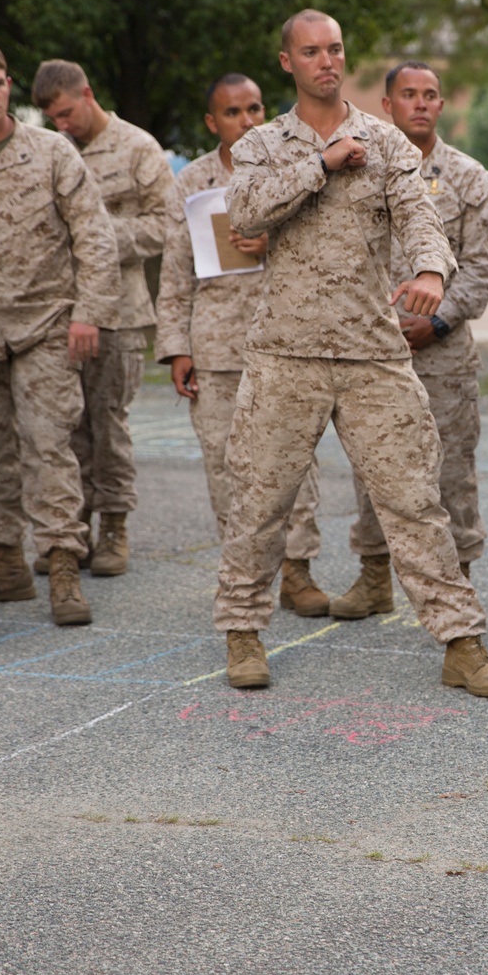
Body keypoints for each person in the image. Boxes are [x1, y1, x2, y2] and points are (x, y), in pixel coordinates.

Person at [213, 10, 488, 698]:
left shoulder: (384, 141)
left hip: (371, 352)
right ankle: (242, 632)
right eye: (312, 51)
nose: (328, 61)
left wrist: (433, 271)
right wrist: (319, 165)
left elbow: (419, 218)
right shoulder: (262, 144)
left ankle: (461, 642)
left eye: (336, 49)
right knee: (260, 500)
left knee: (414, 500)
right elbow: (248, 214)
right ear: (287, 61)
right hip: (286, 352)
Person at [330, 61, 488, 618]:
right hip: (374, 352)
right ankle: (374, 575)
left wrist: (439, 321)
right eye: (409, 94)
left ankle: (461, 581)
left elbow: (479, 267)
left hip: (444, 354)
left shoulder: (470, 177)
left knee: (451, 473)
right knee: (372, 466)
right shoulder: (358, 168)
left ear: (442, 106)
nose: (421, 104)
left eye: (430, 95)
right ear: (388, 105)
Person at [155, 72, 326, 615]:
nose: (247, 120)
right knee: (225, 467)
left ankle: (297, 570)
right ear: (212, 122)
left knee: (294, 461)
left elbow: (325, 256)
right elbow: (175, 274)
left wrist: (270, 245)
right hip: (217, 346)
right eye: (232, 112)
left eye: (254, 108)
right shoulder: (193, 182)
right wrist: (176, 348)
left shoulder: (295, 172)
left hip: (286, 339)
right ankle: (242, 574)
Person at [0, 41, 120, 625]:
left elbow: (94, 236)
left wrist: (89, 312)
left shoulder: (50, 151)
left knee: (51, 447)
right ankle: (5, 562)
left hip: (46, 327)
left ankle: (59, 567)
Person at [31, 59, 174, 576]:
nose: (62, 125)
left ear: (87, 94)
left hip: (119, 311)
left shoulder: (138, 147)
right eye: (54, 119)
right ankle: (74, 530)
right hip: (60, 309)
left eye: (68, 113)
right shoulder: (51, 152)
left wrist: (96, 233)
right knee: (67, 428)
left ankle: (114, 526)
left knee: (107, 423)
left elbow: (164, 226)